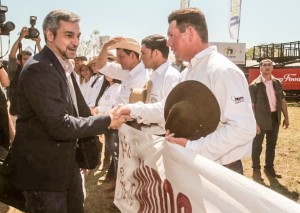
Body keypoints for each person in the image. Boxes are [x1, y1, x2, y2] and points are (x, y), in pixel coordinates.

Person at [8, 9, 126, 213]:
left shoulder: (62, 67)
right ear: (50, 35)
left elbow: (78, 112)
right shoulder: (40, 68)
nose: (76, 41)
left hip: (66, 167)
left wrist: (83, 155)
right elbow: (60, 125)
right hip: (45, 175)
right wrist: (107, 120)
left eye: (78, 35)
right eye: (69, 35)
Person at [115, 7, 256, 175]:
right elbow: (166, 109)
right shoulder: (187, 73)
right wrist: (132, 109)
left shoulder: (222, 71)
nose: (168, 43)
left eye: (171, 35)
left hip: (220, 171)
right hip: (194, 165)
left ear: (190, 32)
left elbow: (243, 128)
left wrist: (192, 147)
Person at [114, 34, 180, 136]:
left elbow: (165, 111)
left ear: (156, 53)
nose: (141, 57)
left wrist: (132, 109)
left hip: (161, 137)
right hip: (146, 135)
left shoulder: (171, 77)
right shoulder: (151, 75)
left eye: (143, 53)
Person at [249, 59, 289, 181]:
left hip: (274, 118)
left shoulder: (277, 82)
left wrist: (286, 117)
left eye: (269, 65)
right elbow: (251, 106)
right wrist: (254, 123)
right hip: (260, 119)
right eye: (264, 65)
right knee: (257, 146)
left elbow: (282, 101)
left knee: (271, 145)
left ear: (272, 68)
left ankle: (269, 167)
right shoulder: (254, 85)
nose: (267, 67)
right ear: (260, 68)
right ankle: (256, 169)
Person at [7, 26, 42, 116]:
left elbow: (43, 60)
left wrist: (38, 44)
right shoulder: (14, 71)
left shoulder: (34, 72)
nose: (28, 61)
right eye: (25, 59)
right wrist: (21, 37)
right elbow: (12, 54)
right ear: (18, 61)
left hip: (31, 114)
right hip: (16, 114)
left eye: (29, 59)